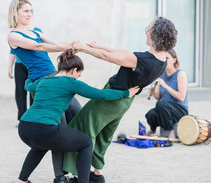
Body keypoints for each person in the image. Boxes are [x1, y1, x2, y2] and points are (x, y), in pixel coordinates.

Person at [63, 16, 178, 183]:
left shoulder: (143, 61)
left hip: (112, 98)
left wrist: (81, 47)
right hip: (124, 103)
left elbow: (105, 57)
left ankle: (76, 176)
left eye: (148, 28)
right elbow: (125, 54)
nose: (146, 32)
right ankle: (97, 174)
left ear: (156, 34)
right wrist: (99, 46)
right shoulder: (161, 60)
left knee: (83, 128)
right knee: (104, 134)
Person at [16, 49, 139, 183]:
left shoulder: (43, 80)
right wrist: (126, 94)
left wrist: (29, 75)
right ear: (74, 70)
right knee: (86, 143)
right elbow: (101, 94)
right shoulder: (71, 83)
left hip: (24, 128)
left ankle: (21, 181)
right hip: (46, 129)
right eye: (78, 75)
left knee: (39, 146)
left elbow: (28, 86)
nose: (77, 78)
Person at [7, 0, 81, 182]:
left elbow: (55, 42)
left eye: (31, 10)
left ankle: (80, 170)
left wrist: (75, 45)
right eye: (25, 11)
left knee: (79, 115)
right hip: (43, 84)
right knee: (58, 130)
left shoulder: (36, 31)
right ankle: (60, 177)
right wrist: (64, 48)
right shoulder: (13, 36)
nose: (29, 14)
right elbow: (38, 47)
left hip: (57, 78)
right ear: (15, 12)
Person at [145, 49, 188, 139]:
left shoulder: (180, 74)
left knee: (160, 104)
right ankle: (153, 129)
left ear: (174, 60)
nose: (164, 60)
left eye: (167, 58)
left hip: (179, 109)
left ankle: (170, 131)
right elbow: (159, 97)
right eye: (163, 58)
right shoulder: (162, 74)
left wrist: (165, 86)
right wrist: (154, 93)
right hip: (165, 108)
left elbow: (181, 97)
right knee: (151, 114)